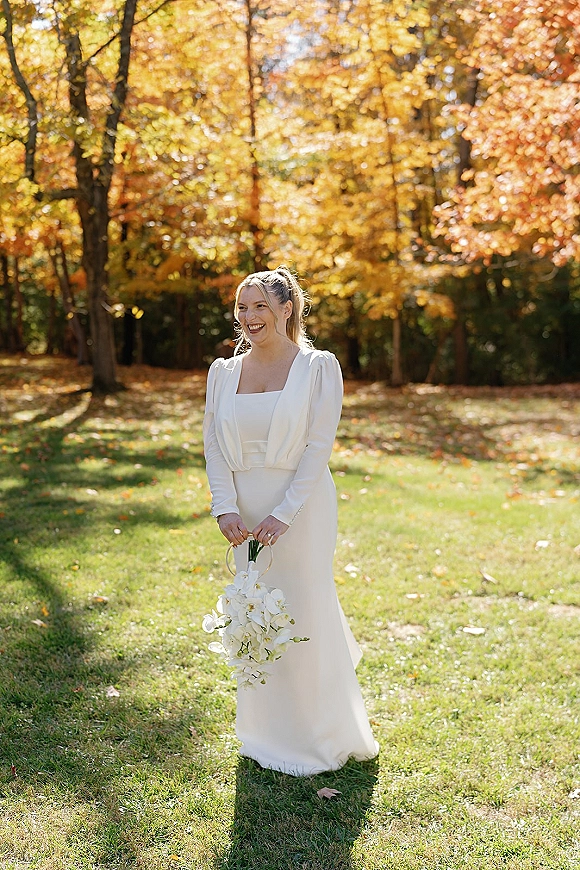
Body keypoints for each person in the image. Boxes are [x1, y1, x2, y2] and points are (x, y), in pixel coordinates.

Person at [203, 265, 378, 775]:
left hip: (300, 506)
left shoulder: (318, 368)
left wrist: (284, 513)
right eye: (242, 306)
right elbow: (213, 444)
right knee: (253, 610)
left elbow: (318, 448)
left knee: (302, 607)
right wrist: (224, 506)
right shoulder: (222, 373)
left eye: (260, 306)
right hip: (243, 509)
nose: (249, 316)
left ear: (287, 309)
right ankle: (264, 732)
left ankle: (319, 735)